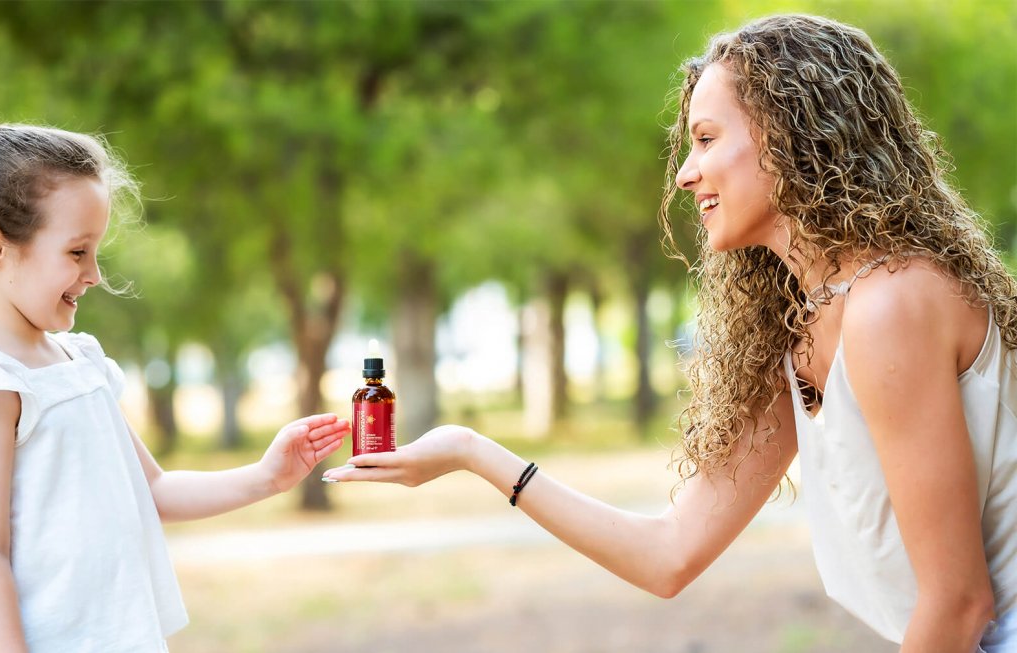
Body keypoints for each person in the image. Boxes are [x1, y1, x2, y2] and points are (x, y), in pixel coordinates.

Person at [324, 14, 1015, 652]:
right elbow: (667, 554)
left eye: (708, 139)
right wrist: (472, 452)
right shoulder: (802, 334)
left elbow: (959, 601)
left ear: (793, 136)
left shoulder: (890, 303)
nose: (685, 173)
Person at [0, 116, 349, 653]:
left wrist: (267, 476)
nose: (95, 272)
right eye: (77, 252)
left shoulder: (79, 361)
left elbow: (154, 490)